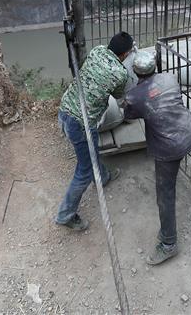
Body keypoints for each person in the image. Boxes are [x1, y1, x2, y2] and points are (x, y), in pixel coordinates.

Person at [124, 50, 191, 265]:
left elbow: (128, 115)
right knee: (170, 181)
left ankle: (169, 244)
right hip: (190, 133)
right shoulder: (170, 78)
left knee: (165, 193)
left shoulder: (134, 97)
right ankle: (167, 240)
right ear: (155, 67)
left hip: (169, 148)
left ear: (135, 71)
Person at [55, 31, 134, 231]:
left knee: (92, 151)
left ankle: (104, 177)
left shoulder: (98, 51)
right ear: (125, 54)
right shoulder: (120, 73)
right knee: (84, 171)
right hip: (80, 124)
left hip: (65, 109)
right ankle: (66, 215)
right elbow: (118, 96)